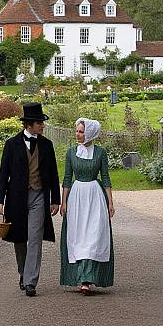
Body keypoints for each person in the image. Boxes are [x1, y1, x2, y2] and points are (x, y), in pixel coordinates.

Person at [0, 102, 60, 297]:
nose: (43, 126)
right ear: (29, 124)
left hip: (39, 196)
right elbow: (3, 174)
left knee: (35, 239)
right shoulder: (11, 145)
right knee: (20, 238)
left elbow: (54, 174)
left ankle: (31, 281)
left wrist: (55, 199)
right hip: (16, 198)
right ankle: (23, 273)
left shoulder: (47, 145)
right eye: (40, 122)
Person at [60, 118, 114, 294]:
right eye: (77, 131)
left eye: (81, 131)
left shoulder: (100, 153)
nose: (77, 134)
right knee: (78, 238)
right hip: (76, 197)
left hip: (95, 197)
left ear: (90, 133)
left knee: (93, 237)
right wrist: (63, 202)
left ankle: (88, 279)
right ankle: (80, 277)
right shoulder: (71, 153)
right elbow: (67, 178)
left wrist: (110, 202)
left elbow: (106, 178)